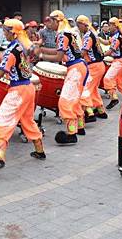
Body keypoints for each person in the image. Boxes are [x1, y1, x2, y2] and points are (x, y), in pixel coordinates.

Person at [0, 19, 46, 178]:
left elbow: (1, 73)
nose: (4, 33)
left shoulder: (12, 51)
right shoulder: (23, 45)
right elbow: (6, 58)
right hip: (29, 88)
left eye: (5, 31)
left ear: (13, 32)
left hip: (18, 91)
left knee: (2, 121)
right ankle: (39, 150)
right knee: (28, 120)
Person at [37, 10, 88, 144]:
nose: (49, 24)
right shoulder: (68, 32)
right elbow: (59, 51)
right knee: (75, 99)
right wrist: (41, 49)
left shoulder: (62, 34)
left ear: (56, 21)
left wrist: (40, 56)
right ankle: (80, 127)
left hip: (75, 69)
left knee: (65, 102)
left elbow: (59, 56)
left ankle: (71, 134)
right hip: (79, 67)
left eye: (50, 21)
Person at [77, 15, 108, 121]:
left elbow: (83, 52)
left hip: (94, 66)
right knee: (93, 89)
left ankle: (89, 113)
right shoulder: (93, 33)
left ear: (84, 24)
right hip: (98, 65)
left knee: (85, 89)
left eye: (79, 25)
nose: (78, 27)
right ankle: (101, 111)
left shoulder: (88, 36)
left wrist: (73, 58)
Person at [103, 17, 122, 110]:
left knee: (107, 78)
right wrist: (99, 39)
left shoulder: (117, 37)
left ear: (114, 26)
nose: (109, 27)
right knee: (120, 82)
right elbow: (107, 42)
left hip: (119, 61)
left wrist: (102, 55)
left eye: (110, 25)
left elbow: (111, 50)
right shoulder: (117, 35)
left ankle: (114, 98)